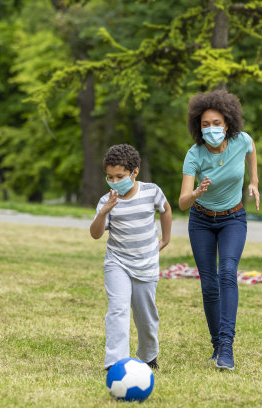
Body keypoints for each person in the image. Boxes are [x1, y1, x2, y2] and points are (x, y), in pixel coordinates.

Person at [178, 89, 260, 371]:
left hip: (233, 218)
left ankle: (227, 346)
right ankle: (216, 346)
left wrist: (254, 181)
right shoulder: (194, 154)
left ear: (227, 123)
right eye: (205, 124)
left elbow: (252, 151)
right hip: (200, 220)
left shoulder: (241, 140)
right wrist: (198, 193)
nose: (211, 128)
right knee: (209, 284)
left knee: (227, 271)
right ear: (198, 128)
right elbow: (182, 201)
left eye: (216, 123)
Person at [90, 144, 172, 371]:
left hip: (146, 265)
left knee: (146, 316)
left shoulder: (151, 191)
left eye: (120, 176)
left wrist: (165, 239)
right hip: (118, 263)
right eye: (110, 177)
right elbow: (96, 234)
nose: (115, 182)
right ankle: (115, 362)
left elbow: (166, 209)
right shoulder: (106, 201)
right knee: (118, 309)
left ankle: (148, 356)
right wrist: (104, 211)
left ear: (134, 172)